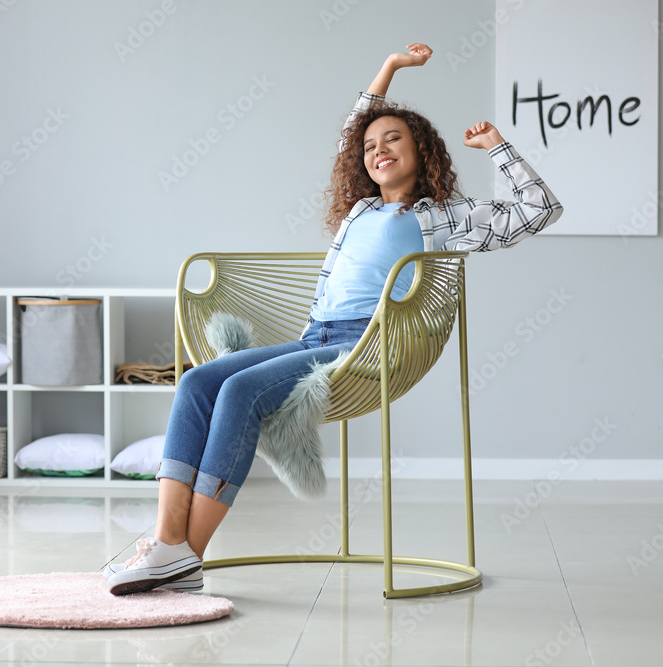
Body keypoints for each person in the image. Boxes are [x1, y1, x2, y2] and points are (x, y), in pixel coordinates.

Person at [106, 43, 563, 596]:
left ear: (423, 150)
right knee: (201, 380)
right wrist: (389, 68)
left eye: (393, 138)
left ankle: (187, 554)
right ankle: (164, 543)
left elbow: (540, 208)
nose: (378, 149)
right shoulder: (362, 209)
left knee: (240, 393)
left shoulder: (445, 216)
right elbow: (354, 128)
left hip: (365, 346)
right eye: (370, 146)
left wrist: (497, 147)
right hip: (314, 335)